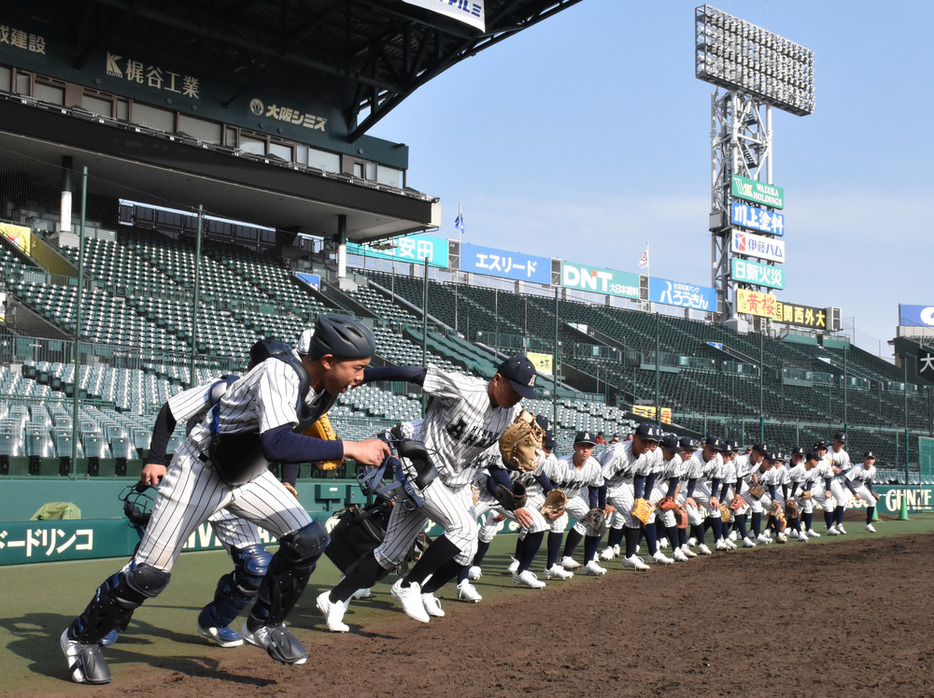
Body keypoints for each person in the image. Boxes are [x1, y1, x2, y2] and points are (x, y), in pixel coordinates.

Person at [60, 314, 390, 684]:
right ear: (327, 360)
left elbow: (381, 375)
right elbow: (276, 443)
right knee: (150, 574)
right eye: (358, 368)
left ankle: (264, 624)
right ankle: (81, 639)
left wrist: (426, 377)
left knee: (309, 538)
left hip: (247, 474)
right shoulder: (278, 373)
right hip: (200, 470)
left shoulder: (324, 382)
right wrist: (350, 447)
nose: (362, 377)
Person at [315, 355, 540, 631]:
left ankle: (334, 599)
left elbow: (493, 463)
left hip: (449, 483)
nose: (518, 397)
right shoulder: (464, 389)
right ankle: (409, 585)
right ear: (497, 379)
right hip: (421, 464)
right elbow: (415, 374)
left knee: (391, 554)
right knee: (463, 529)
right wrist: (366, 376)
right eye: (515, 389)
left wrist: (507, 492)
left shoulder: (507, 415)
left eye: (523, 393)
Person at [540, 430, 607, 575]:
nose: (585, 450)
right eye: (582, 446)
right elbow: (552, 487)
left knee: (594, 520)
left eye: (589, 447)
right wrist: (558, 507)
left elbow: (595, 488)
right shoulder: (562, 463)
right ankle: (519, 562)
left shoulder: (594, 465)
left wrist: (595, 508)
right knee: (533, 527)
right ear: (575, 447)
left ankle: (586, 562)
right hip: (553, 497)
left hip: (574, 498)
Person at [844, 451, 882, 532]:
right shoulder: (857, 468)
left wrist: (872, 490)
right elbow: (847, 481)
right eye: (868, 458)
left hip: (860, 487)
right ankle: (832, 525)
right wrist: (855, 493)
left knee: (872, 501)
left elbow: (868, 480)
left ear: (874, 460)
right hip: (848, 487)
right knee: (842, 504)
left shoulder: (873, 469)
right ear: (864, 459)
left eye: (872, 459)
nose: (870, 461)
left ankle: (868, 524)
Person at [828, 431, 852, 534]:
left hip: (832, 479)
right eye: (839, 441)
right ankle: (802, 524)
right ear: (834, 440)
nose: (840, 444)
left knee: (842, 500)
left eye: (842, 442)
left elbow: (844, 471)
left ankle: (838, 524)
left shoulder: (844, 455)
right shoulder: (827, 451)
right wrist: (833, 470)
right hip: (819, 479)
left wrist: (834, 473)